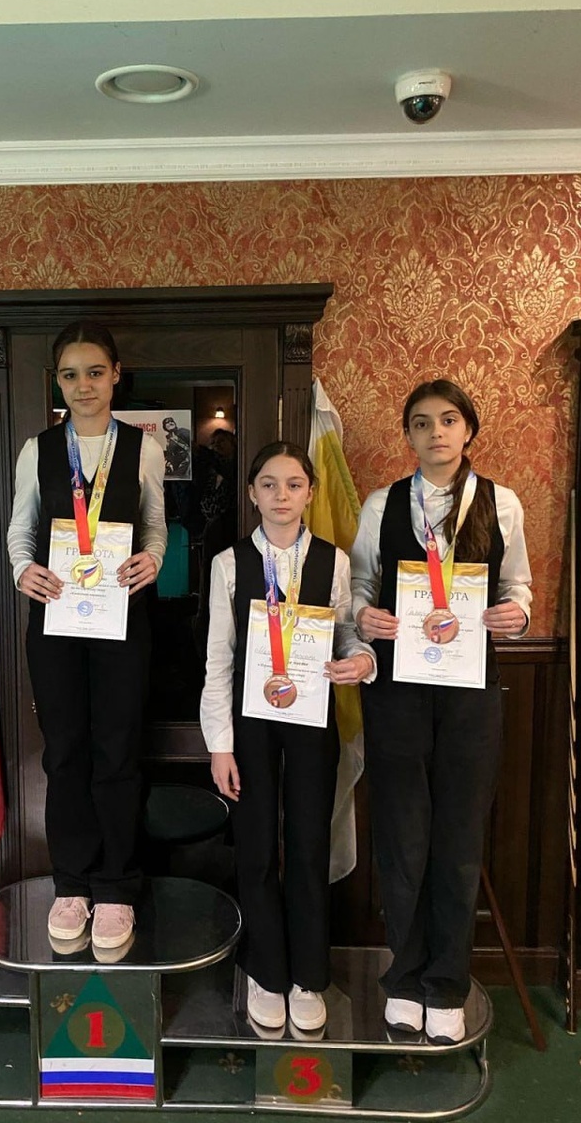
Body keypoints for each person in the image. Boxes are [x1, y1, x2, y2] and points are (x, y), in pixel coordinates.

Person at [350, 379, 531, 1044]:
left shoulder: (501, 503)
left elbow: (518, 589)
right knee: (403, 838)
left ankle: (447, 985)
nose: (436, 433)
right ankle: (405, 979)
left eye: (448, 420)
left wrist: (517, 615)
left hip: (470, 691)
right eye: (422, 423)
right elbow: (360, 585)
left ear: (469, 429)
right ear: (408, 435)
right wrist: (362, 616)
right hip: (398, 689)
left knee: (458, 840)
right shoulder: (382, 504)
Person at [200, 441, 375, 1032]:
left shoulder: (334, 560)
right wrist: (220, 744)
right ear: (252, 493)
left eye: (293, 484)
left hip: (312, 718)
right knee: (254, 847)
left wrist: (362, 659)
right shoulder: (229, 563)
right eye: (269, 484)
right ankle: (265, 969)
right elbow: (218, 660)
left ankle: (307, 974)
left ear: (310, 493)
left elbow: (346, 633)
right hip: (250, 722)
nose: (281, 495)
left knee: (307, 845)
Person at [6, 322, 167, 952]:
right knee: (65, 751)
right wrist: (23, 570)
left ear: (116, 375)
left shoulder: (142, 447)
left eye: (95, 372)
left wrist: (153, 560)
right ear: (58, 382)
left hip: (122, 618)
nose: (84, 386)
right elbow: (20, 529)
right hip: (56, 619)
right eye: (70, 375)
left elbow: (156, 528)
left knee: (118, 751)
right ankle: (72, 882)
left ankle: (117, 886)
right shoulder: (38, 449)